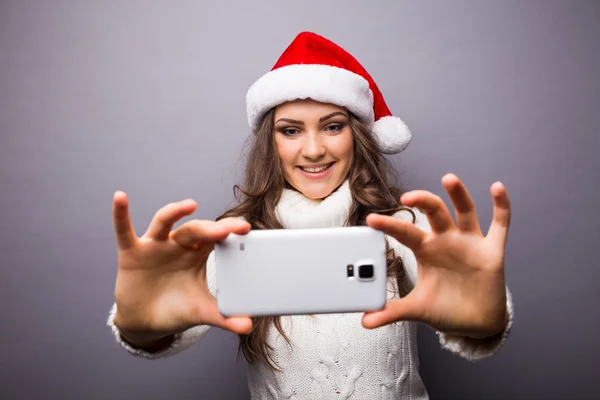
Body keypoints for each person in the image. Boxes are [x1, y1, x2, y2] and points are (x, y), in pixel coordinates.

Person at [107, 31, 513, 399]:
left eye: (333, 126)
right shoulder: (235, 237)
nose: (314, 149)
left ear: (359, 136)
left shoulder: (401, 225)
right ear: (271, 143)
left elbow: (473, 315)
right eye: (290, 130)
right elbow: (160, 328)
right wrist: (140, 323)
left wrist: (483, 317)